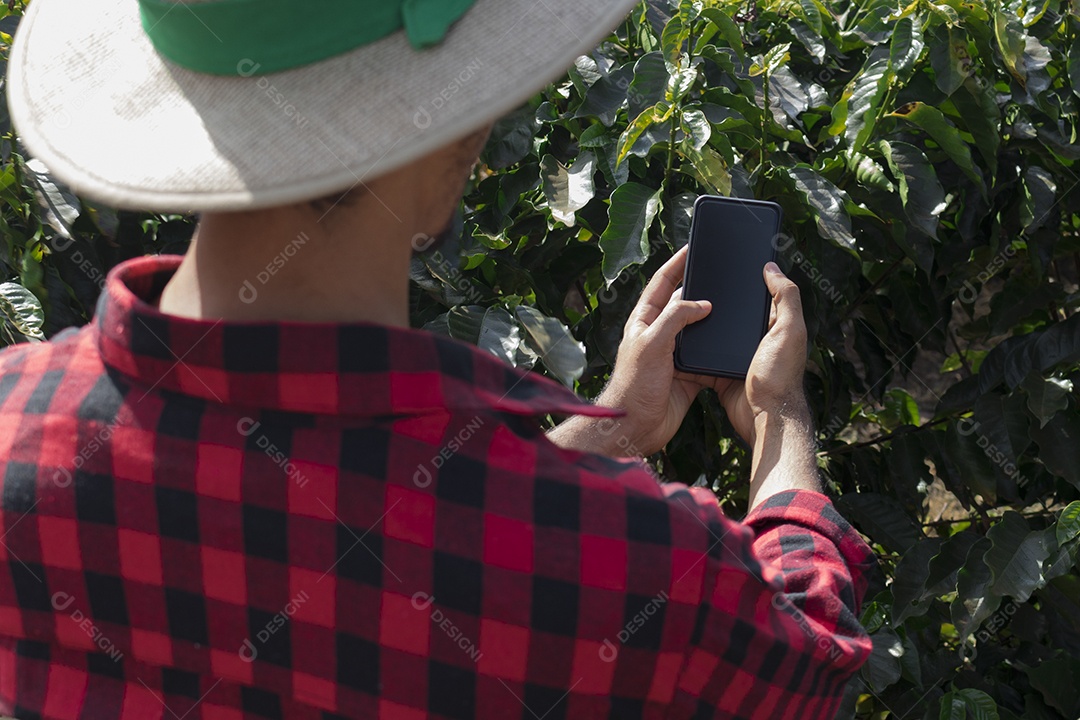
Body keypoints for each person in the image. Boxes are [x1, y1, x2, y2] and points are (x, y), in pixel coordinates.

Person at [0, 0, 873, 717]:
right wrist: (779, 421)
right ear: (455, 144)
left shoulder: (15, 427)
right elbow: (806, 658)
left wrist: (609, 430)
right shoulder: (633, 563)